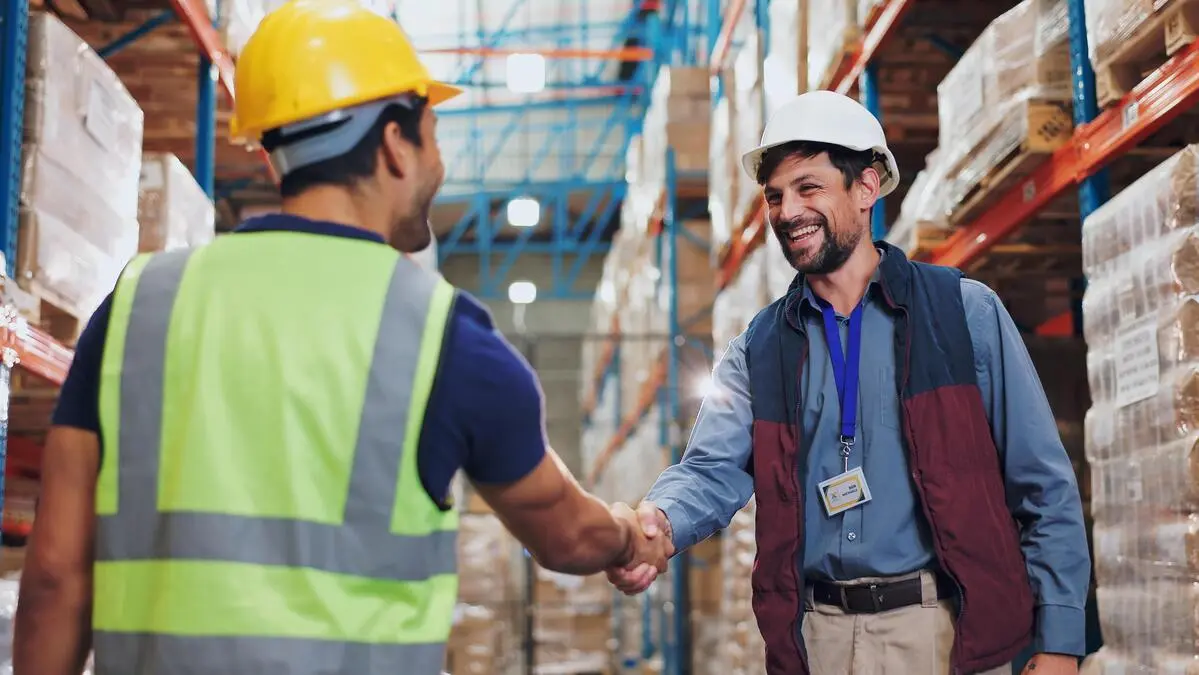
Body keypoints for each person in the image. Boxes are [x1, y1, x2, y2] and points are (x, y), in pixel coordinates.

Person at [12, 2, 667, 674]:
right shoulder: (446, 336)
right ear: (393, 145)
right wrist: (626, 534)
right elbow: (563, 532)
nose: (437, 163)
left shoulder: (139, 302)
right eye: (432, 135)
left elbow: (57, 576)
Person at [604, 91, 1090, 675]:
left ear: (865, 188)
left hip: (945, 630)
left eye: (809, 188)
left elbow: (1041, 481)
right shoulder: (759, 349)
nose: (787, 211)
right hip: (818, 638)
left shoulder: (963, 314)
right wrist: (657, 524)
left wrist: (1059, 638)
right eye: (775, 196)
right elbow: (710, 471)